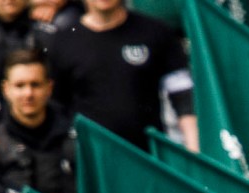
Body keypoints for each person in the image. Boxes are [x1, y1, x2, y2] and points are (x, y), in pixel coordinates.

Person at [42, 0, 192, 150]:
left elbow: (184, 98)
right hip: (92, 156)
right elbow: (57, 107)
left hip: (148, 158)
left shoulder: (155, 32)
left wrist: (194, 150)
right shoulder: (62, 41)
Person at [0, 51, 76, 193]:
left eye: (35, 84)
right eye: (20, 85)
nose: (28, 93)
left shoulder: (74, 137)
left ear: (49, 88)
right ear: (5, 89)